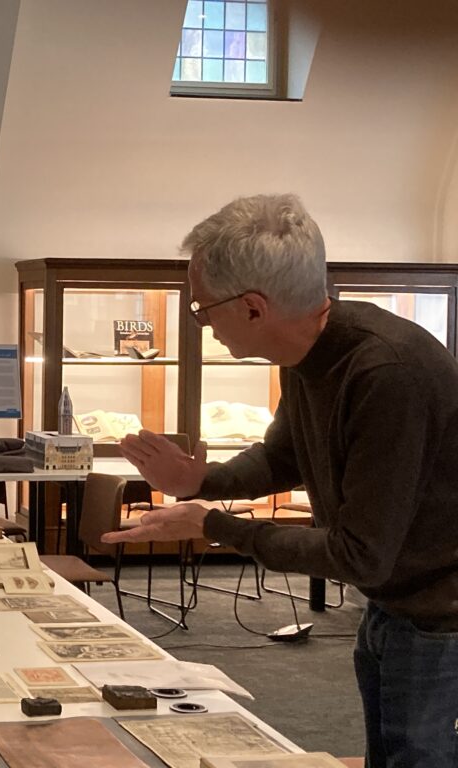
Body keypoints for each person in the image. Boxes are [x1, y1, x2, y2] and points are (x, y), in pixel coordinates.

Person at [102, 193, 458, 767]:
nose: (201, 323)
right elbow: (280, 459)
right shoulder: (309, 356)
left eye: (201, 309)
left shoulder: (386, 374)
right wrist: (201, 481)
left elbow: (362, 554)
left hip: (439, 616)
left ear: (252, 308)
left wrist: (214, 526)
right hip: (397, 607)